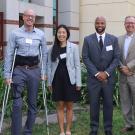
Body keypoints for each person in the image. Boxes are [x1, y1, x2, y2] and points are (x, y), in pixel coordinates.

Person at [3, 9, 48, 135]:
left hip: (34, 71)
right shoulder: (15, 33)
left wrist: (44, 73)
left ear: (35, 18)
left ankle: (28, 131)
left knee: (32, 103)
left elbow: (44, 54)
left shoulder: (40, 34)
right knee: (17, 103)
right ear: (23, 17)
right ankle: (16, 132)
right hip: (19, 70)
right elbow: (9, 54)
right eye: (28, 16)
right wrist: (7, 74)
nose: (30, 18)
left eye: (32, 16)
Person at [82, 16, 120, 135]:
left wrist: (107, 73)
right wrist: (97, 73)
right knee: (94, 104)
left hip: (108, 79)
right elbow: (85, 57)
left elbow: (116, 57)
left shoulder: (113, 39)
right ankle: (94, 128)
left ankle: (108, 128)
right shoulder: (88, 39)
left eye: (102, 23)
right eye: (97, 23)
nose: (99, 25)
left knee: (108, 103)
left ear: (105, 24)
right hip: (94, 79)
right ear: (95, 24)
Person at [47, 24, 81, 135]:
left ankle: (68, 130)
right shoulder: (52, 49)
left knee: (70, 106)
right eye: (59, 32)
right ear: (56, 34)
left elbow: (77, 66)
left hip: (70, 80)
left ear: (67, 34)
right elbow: (49, 66)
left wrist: (78, 82)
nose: (61, 34)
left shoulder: (74, 47)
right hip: (57, 81)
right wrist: (49, 82)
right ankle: (62, 130)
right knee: (60, 106)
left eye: (63, 32)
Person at [118, 16, 135, 133]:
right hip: (123, 76)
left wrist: (128, 66)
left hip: (134, 74)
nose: (130, 25)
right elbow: (116, 56)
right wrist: (121, 67)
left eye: (132, 23)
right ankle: (129, 124)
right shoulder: (119, 39)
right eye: (128, 23)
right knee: (125, 101)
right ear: (124, 24)